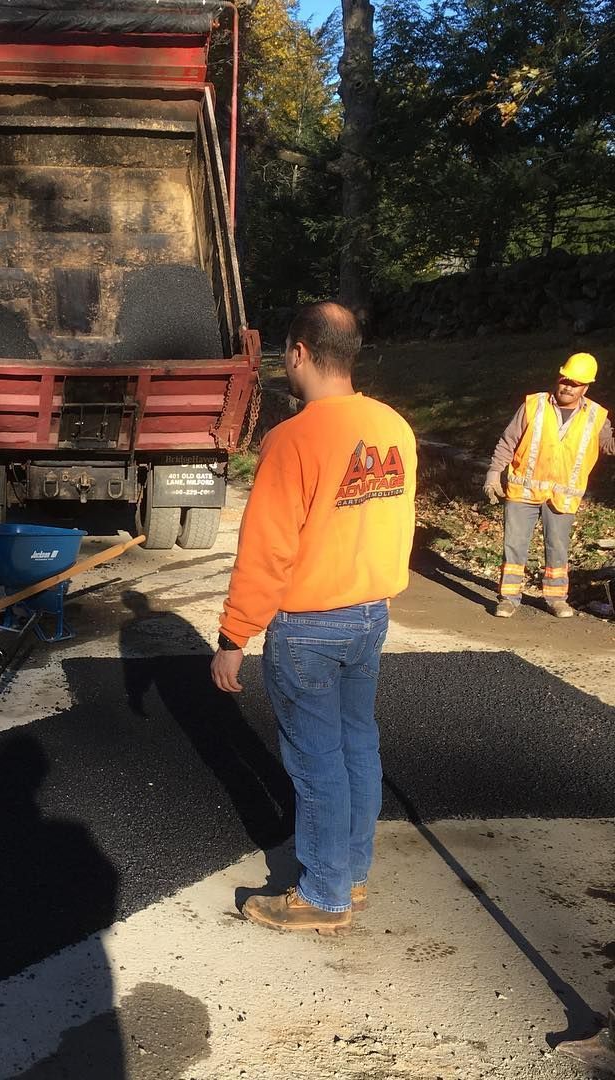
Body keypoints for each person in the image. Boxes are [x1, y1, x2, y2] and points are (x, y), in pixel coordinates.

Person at [210, 301, 417, 936]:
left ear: (299, 352)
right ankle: (350, 875)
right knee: (358, 747)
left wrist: (234, 634)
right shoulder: (393, 427)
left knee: (317, 761)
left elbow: (267, 550)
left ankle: (323, 895)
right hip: (370, 615)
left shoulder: (294, 439)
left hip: (309, 628)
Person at [485, 352, 614, 619]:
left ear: (586, 387)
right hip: (523, 490)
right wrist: (494, 473)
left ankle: (556, 599)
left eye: (575, 383)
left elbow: (608, 446)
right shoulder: (534, 405)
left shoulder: (597, 416)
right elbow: (509, 441)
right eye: (565, 380)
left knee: (557, 548)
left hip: (562, 496)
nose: (568, 387)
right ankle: (508, 598)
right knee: (514, 545)